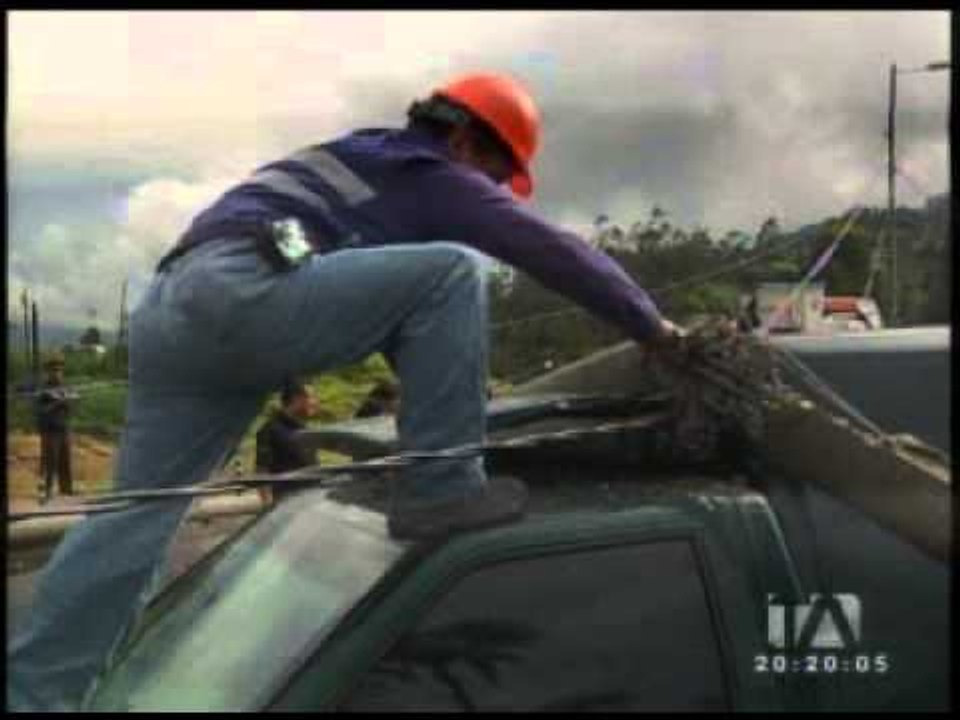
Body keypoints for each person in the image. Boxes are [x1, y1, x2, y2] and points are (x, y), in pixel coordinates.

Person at [8, 71, 683, 711]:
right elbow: (550, 250)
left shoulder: (362, 156)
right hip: (242, 293)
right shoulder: (432, 172)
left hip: (175, 307)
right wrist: (655, 330)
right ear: (463, 140)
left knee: (133, 524)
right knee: (452, 273)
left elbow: (368, 298)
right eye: (499, 177)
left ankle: (35, 697)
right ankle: (442, 489)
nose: (497, 193)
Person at [255, 378, 318, 504]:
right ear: (296, 399)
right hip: (287, 503)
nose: (316, 402)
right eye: (312, 397)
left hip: (311, 500)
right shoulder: (270, 430)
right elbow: (261, 471)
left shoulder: (304, 428)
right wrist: (268, 505)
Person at [35, 353, 77, 503]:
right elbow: (40, 410)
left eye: (59, 369)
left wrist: (68, 401)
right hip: (49, 430)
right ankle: (46, 491)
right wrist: (56, 403)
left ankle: (67, 489)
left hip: (64, 428)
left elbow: (73, 406)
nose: (57, 372)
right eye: (54, 370)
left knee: (65, 460)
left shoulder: (66, 386)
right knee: (49, 461)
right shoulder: (43, 389)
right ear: (48, 371)